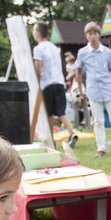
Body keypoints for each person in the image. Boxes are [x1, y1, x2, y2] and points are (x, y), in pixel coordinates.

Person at [75, 22, 111, 156]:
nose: (93, 36)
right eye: (90, 34)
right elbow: (78, 70)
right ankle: (101, 147)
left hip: (108, 88)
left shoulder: (107, 52)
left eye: (95, 34)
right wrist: (80, 88)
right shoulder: (82, 53)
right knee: (98, 121)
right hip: (93, 90)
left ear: (99, 35)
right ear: (86, 36)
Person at [33, 21, 79, 149]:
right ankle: (72, 132)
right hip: (59, 82)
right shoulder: (54, 47)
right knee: (61, 112)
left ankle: (50, 139)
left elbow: (38, 67)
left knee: (48, 113)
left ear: (37, 32)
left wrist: (36, 81)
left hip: (47, 84)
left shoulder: (38, 48)